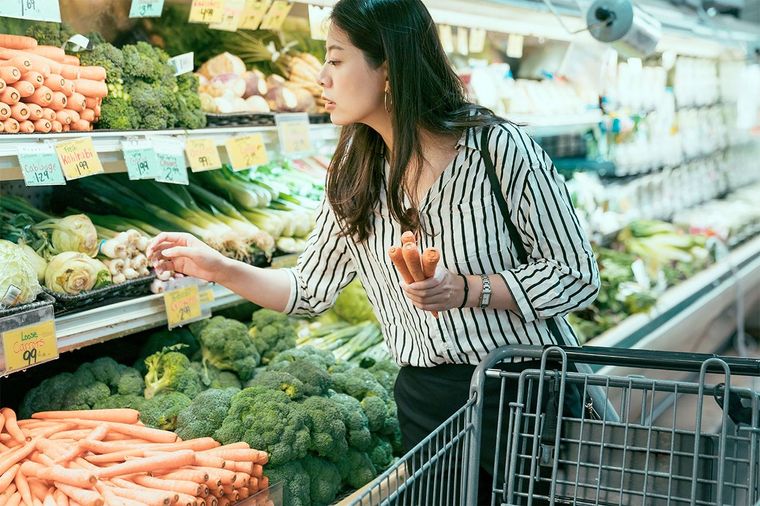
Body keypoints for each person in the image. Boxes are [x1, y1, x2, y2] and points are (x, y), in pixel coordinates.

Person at [147, 0, 600, 503]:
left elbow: (577, 274)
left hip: (522, 392)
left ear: (387, 66)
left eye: (336, 59)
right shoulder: (354, 176)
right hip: (426, 399)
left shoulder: (498, 150)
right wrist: (220, 267)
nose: (322, 76)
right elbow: (308, 290)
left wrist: (471, 289)